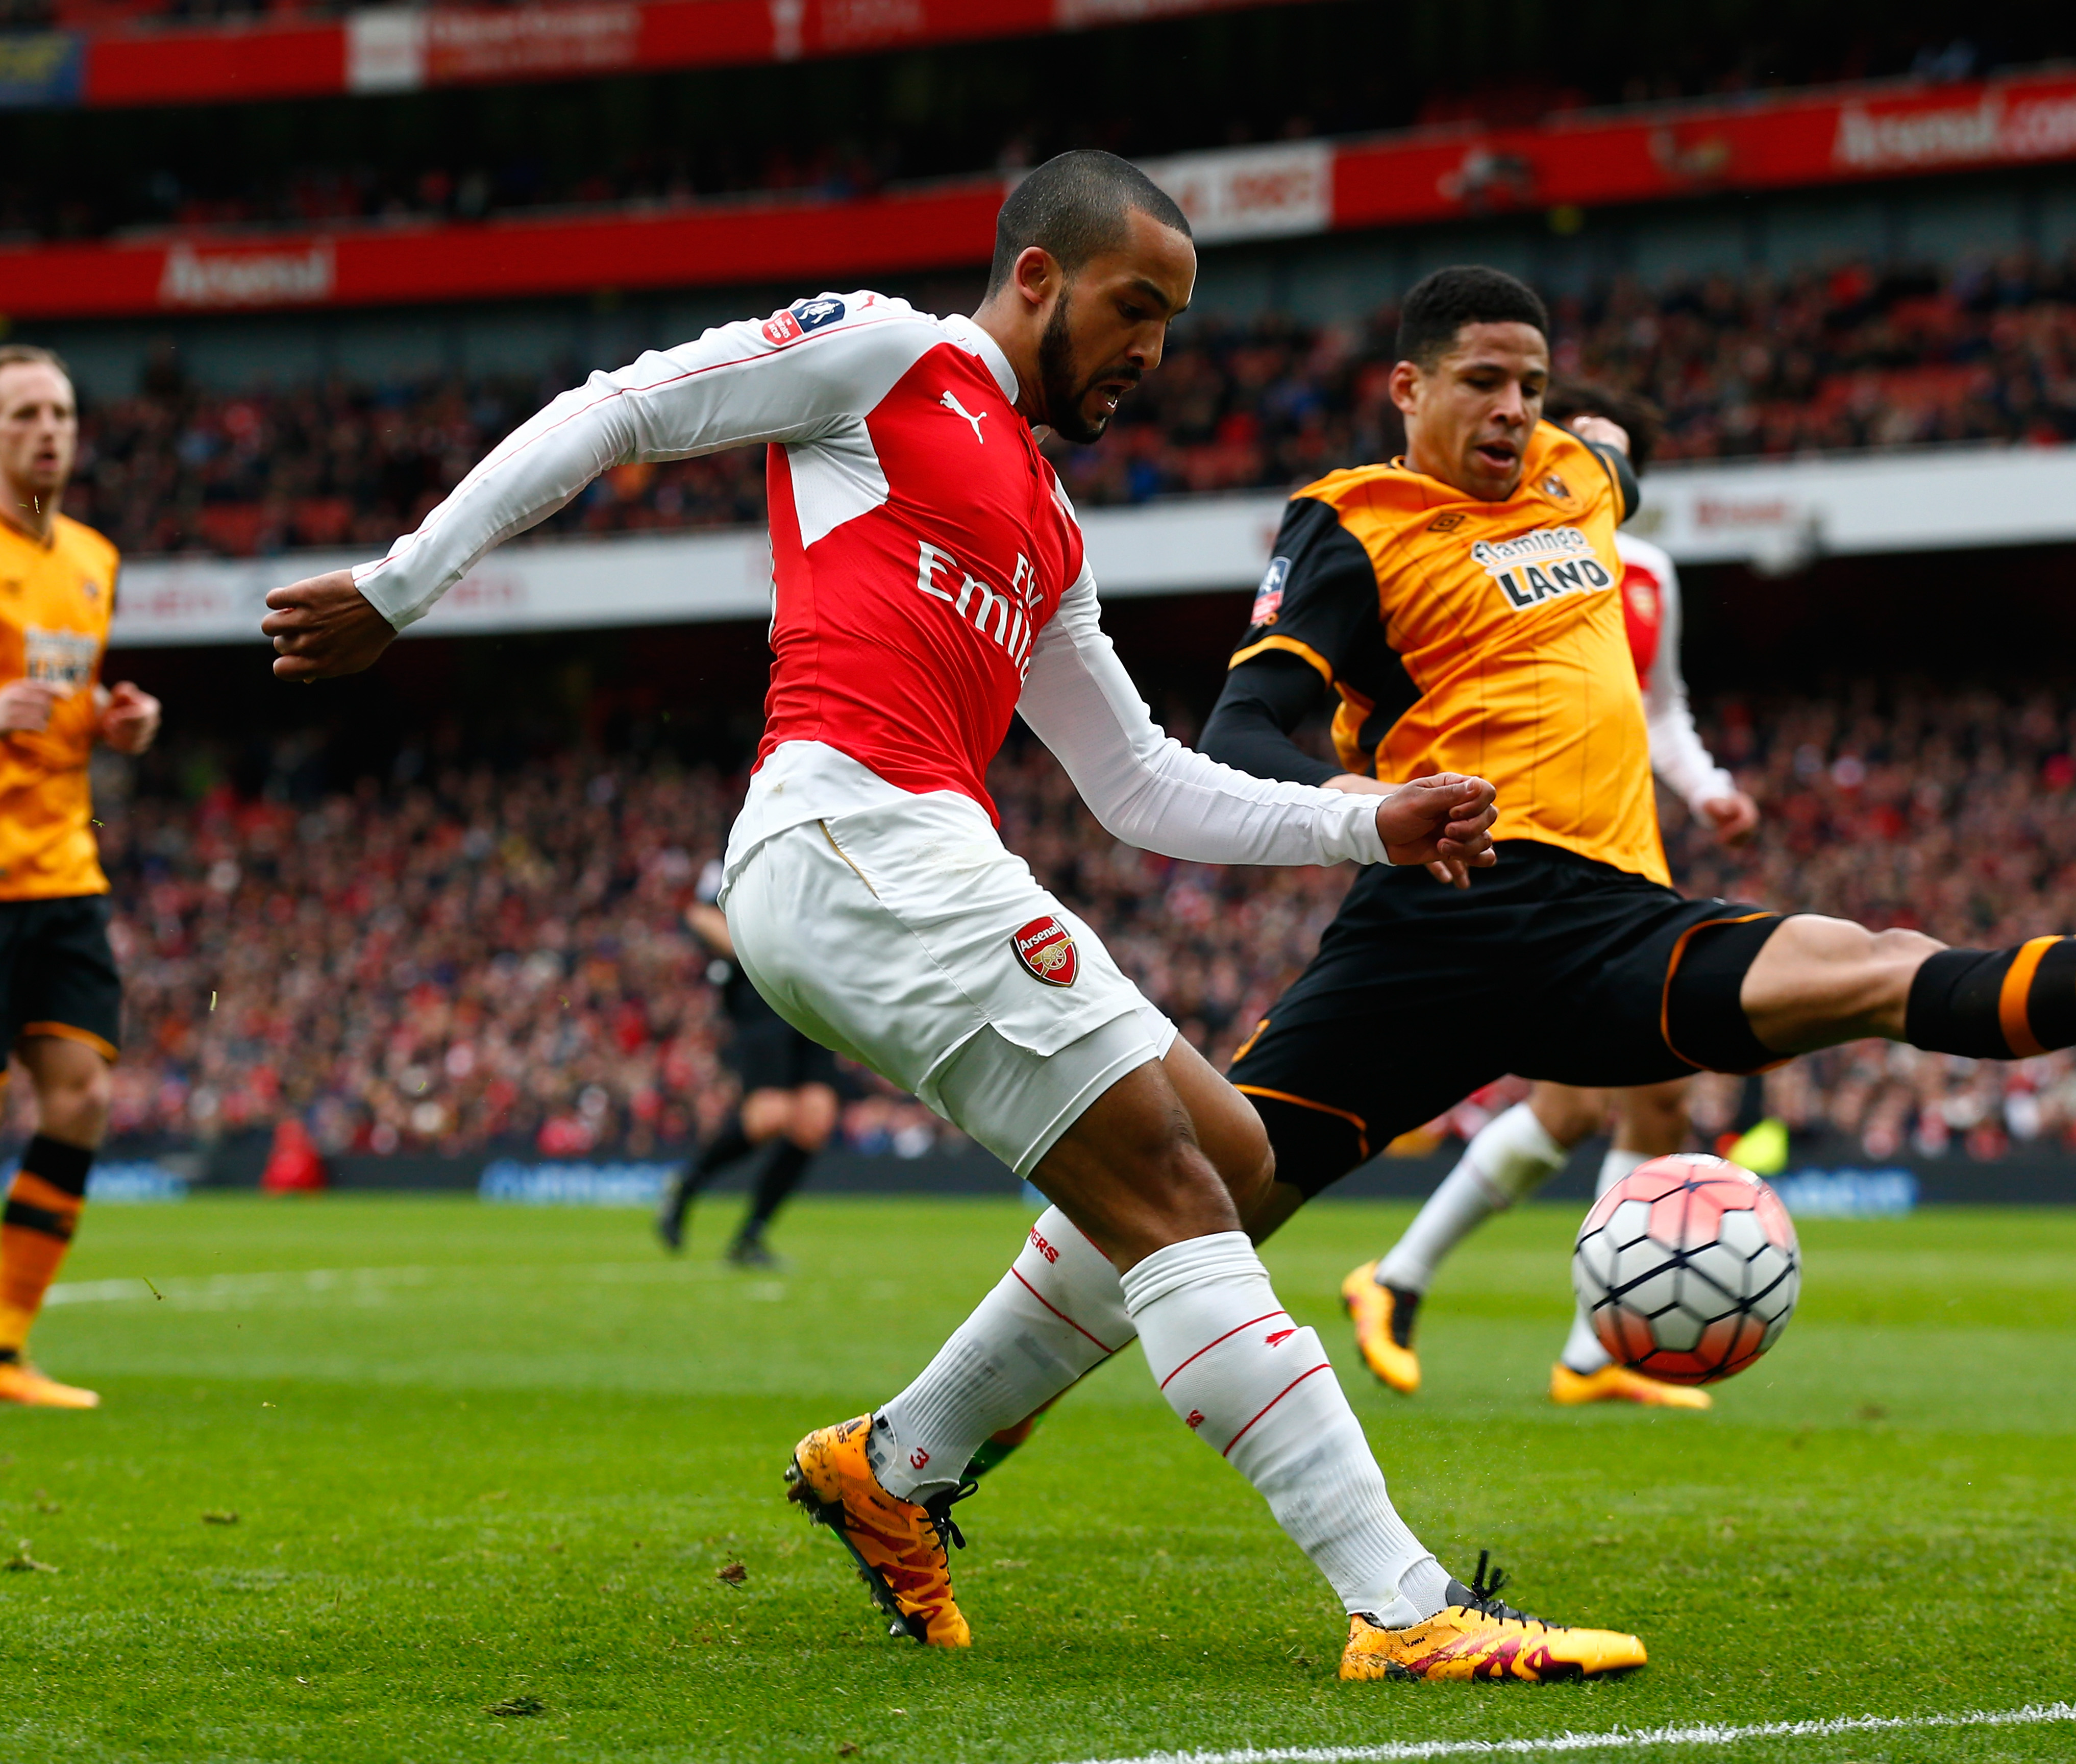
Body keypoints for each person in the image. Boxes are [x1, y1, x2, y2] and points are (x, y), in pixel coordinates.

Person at [261, 154, 1645, 1682]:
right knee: (1178, 1192)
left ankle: (895, 1467)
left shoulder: (1048, 526)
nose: (1153, 354)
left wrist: (1360, 821)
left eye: (1173, 326)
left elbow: (1138, 785)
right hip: (851, 832)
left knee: (1236, 1160)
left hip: (918, 855)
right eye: (1135, 309)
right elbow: (623, 407)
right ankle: (1406, 1608)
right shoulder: (889, 353)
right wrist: (403, 584)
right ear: (1038, 278)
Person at [1197, 261, 2076, 1250]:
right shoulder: (1350, 521)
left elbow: (1613, 459)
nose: (1514, 408)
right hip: (1439, 916)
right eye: (1483, 383)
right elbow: (1238, 734)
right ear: (1407, 387)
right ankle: (1004, 1404)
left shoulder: (1576, 479)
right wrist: (1366, 806)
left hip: (1609, 920)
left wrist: (1603, 441)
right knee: (1202, 1211)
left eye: (1532, 387)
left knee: (1878, 964)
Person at [1342, 381, 1763, 1412]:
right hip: (1523, 849)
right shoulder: (1492, 544)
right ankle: (1433, 1291)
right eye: (1586, 445)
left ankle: (1565, 1341)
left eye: (1622, 456)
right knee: (1622, 1089)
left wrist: (1710, 792)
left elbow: (1657, 712)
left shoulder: (1647, 573)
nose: (1602, 467)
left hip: (1627, 849)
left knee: (1617, 1097)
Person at [0, 345, 164, 1409]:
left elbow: (62, 689)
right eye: (22, 417)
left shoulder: (94, 559)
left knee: (84, 1096)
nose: (47, 431)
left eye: (59, 411)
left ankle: (5, 1347)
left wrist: (119, 720)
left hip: (59, 867)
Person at [656, 855, 839, 1268]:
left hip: (809, 993)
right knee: (771, 1115)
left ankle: (749, 1237)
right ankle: (687, 1185)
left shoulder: (819, 849)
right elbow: (700, 914)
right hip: (759, 992)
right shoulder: (740, 849)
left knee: (814, 1120)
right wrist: (759, 951)